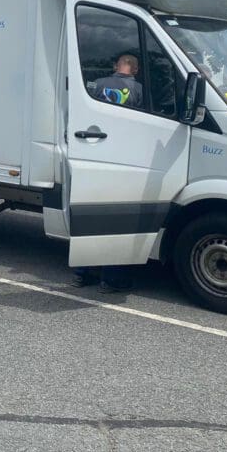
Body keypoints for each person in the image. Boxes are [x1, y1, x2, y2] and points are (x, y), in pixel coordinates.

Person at [73, 53, 142, 292]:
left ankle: (82, 274)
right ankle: (111, 280)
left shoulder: (96, 85)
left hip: (92, 154)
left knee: (92, 220)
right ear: (135, 70)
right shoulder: (139, 90)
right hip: (123, 159)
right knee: (115, 223)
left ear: (116, 66)